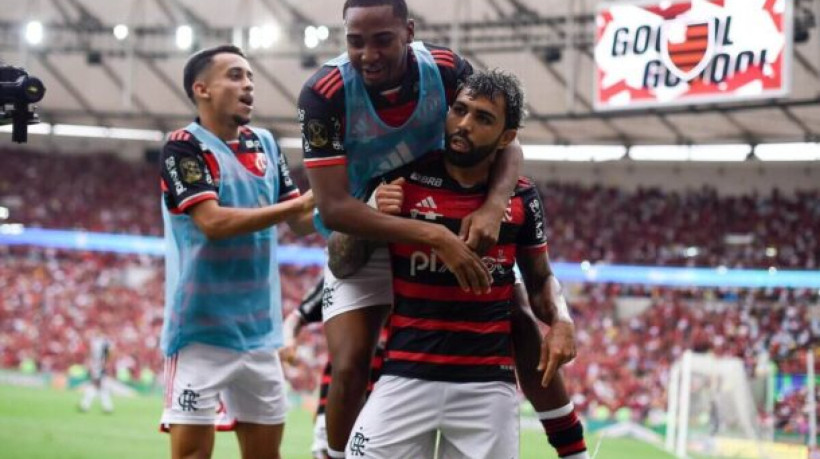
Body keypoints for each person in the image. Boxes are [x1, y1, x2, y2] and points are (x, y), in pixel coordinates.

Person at [298, 1, 523, 455]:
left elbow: (508, 142)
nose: (368, 54)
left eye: (382, 39)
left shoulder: (445, 70)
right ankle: (336, 452)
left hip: (447, 219)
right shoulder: (323, 92)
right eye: (355, 41)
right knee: (349, 365)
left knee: (522, 319)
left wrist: (494, 206)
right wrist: (434, 236)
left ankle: (565, 438)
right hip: (369, 227)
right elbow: (335, 208)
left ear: (409, 32)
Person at [338, 69, 581, 458]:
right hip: (405, 375)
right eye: (460, 110)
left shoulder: (521, 198)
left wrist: (562, 320)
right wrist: (370, 215)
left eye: (483, 118)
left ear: (507, 137)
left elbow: (540, 279)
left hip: (486, 387)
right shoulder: (403, 178)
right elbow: (341, 263)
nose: (464, 124)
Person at [159, 44, 315, 459]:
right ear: (202, 89)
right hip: (198, 335)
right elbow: (212, 223)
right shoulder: (183, 147)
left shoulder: (265, 143)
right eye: (234, 75)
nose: (248, 84)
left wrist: (353, 204)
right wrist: (297, 206)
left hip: (260, 336)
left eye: (250, 77)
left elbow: (301, 221)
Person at [78, 333, 114, 414]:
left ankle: (86, 405)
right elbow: (108, 354)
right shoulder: (101, 343)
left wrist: (103, 365)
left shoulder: (100, 344)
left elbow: (107, 354)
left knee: (97, 386)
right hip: (98, 367)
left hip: (99, 367)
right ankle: (106, 407)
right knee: (99, 387)